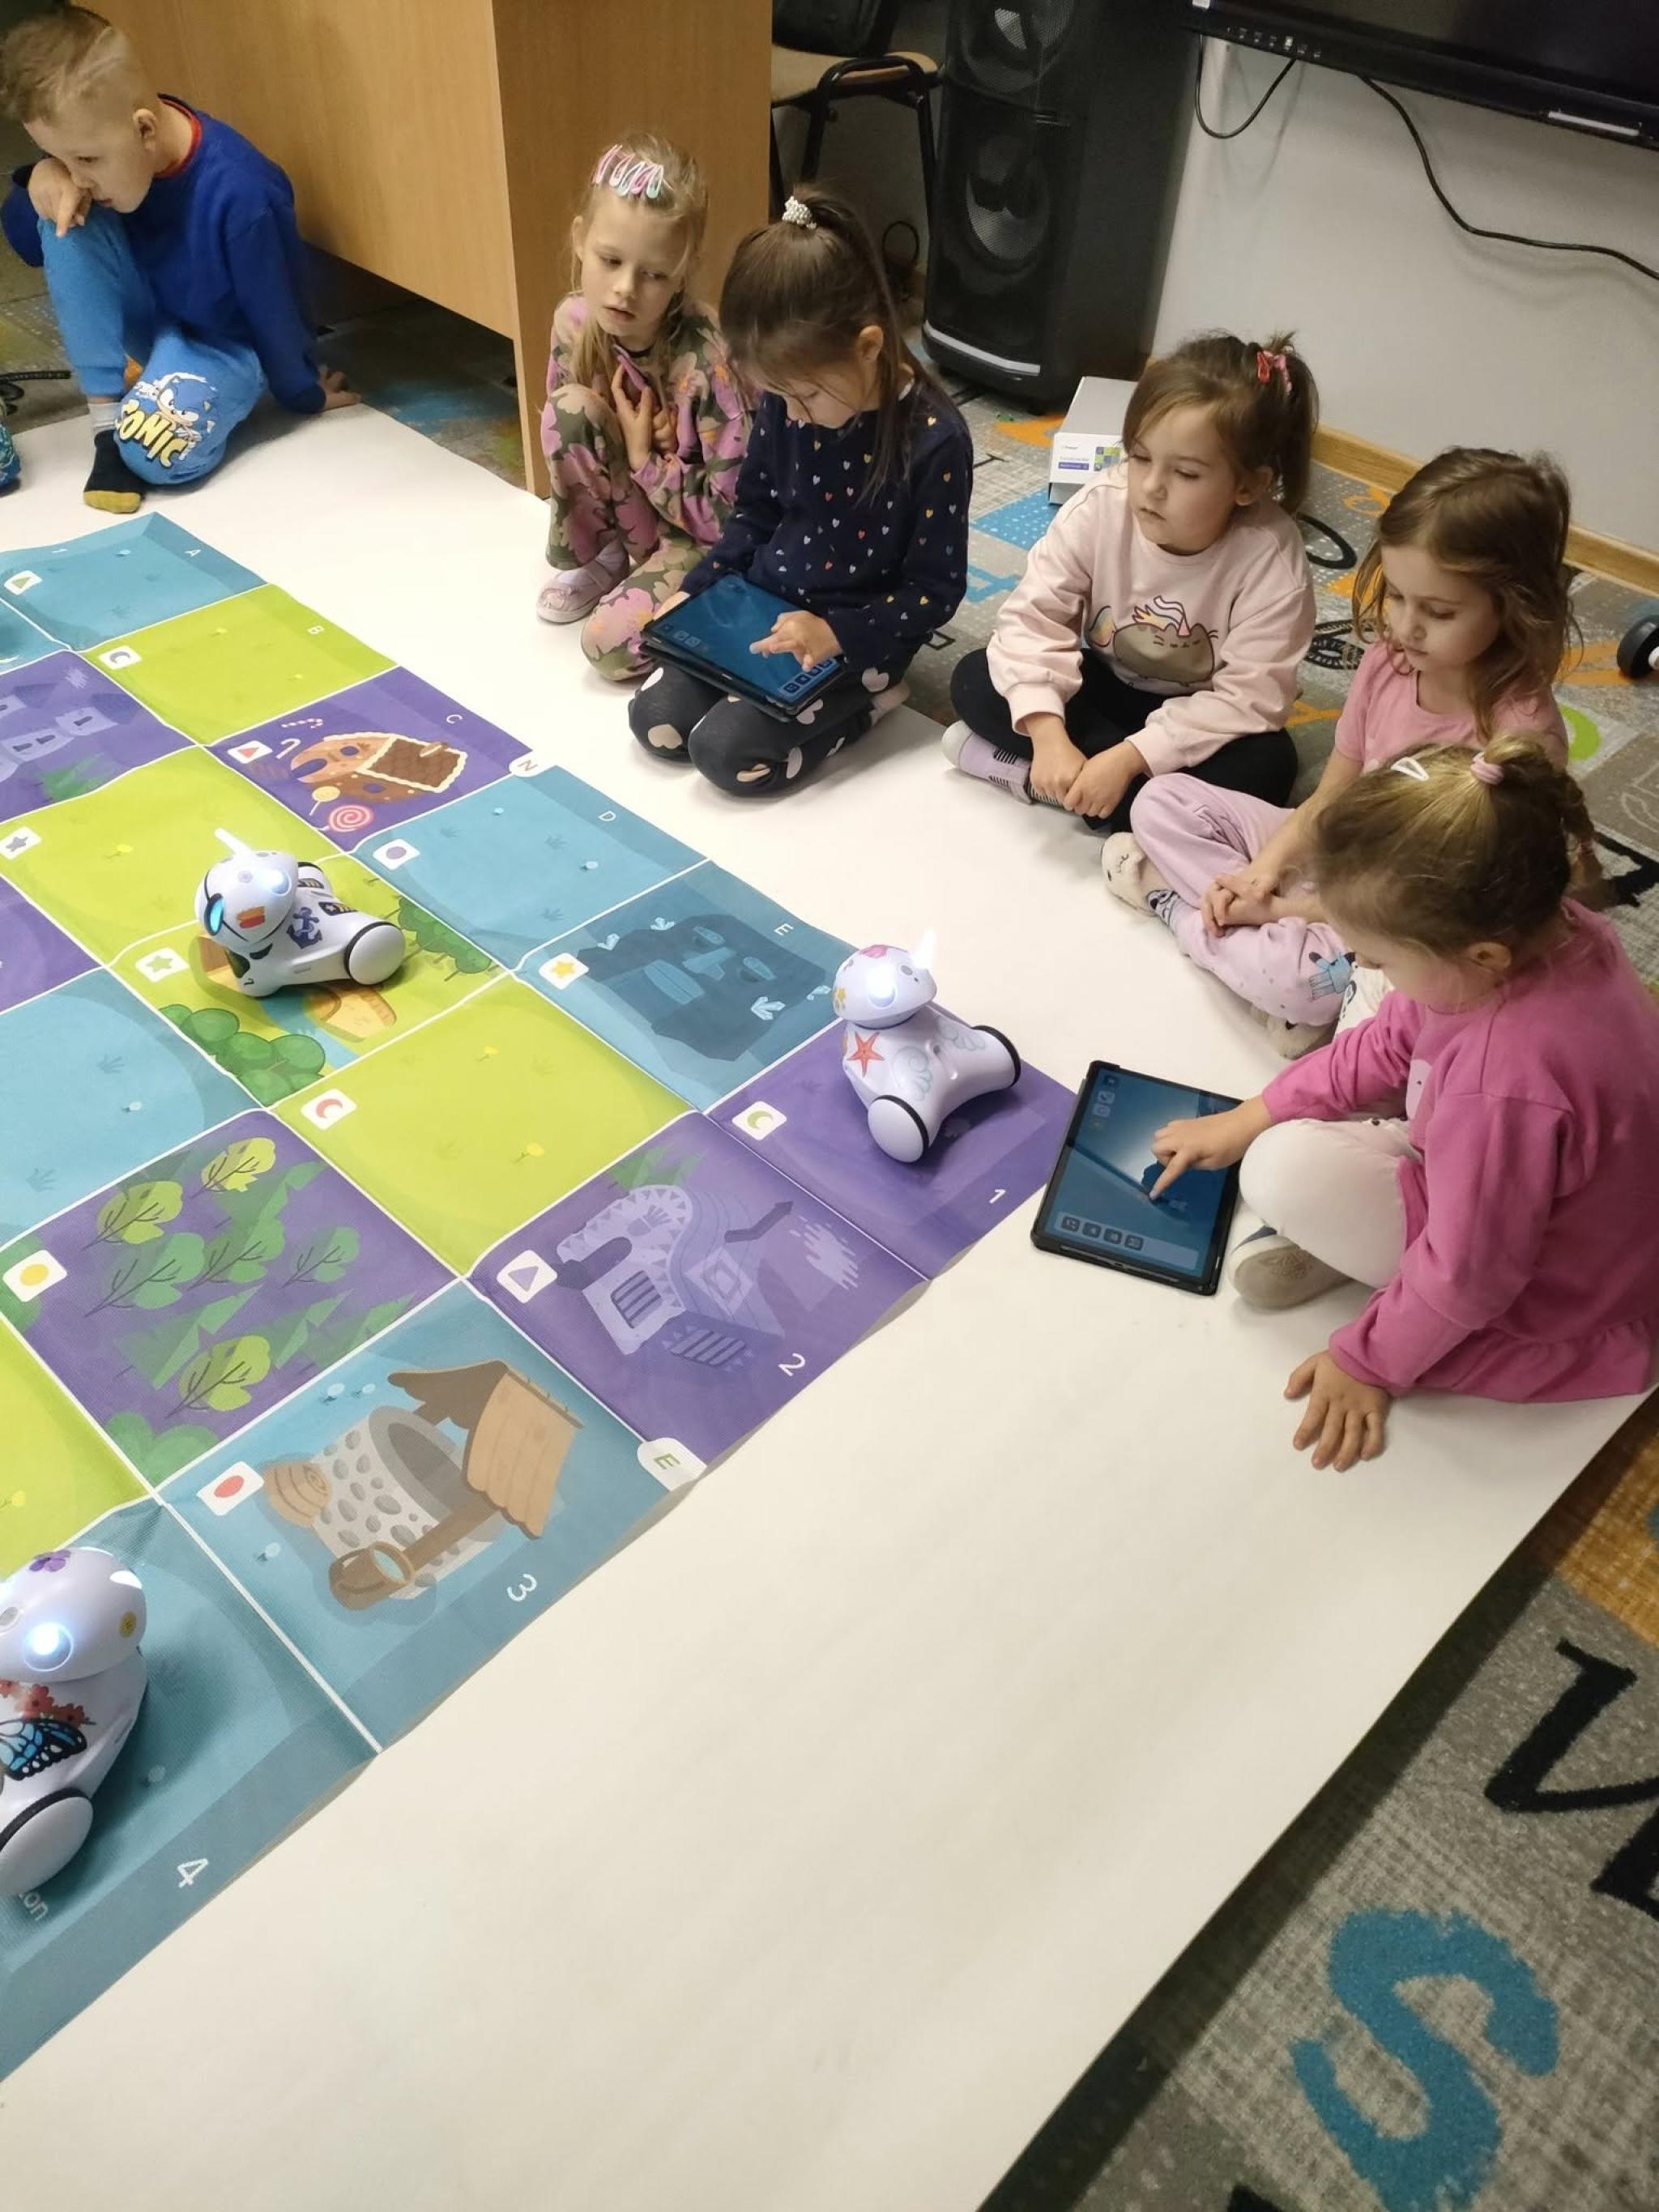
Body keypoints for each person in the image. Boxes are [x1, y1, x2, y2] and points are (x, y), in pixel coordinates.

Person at [1147, 736, 1659, 1472]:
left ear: (1483, 956)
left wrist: (1367, 1361)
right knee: (1321, 1090)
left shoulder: (1502, 1083)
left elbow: (1472, 1274)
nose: (1362, 964)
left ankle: (1383, 1284)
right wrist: (1254, 1111)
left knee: (1279, 1170)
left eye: (1379, 956)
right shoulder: (1553, 929)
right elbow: (1393, 1039)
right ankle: (1373, 1255)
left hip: (1562, 1292)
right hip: (1582, 1202)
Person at [1107, 448, 1575, 1053]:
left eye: (1438, 612)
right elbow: (1330, 798)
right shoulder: (1387, 663)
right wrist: (1259, 876)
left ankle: (1172, 905)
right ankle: (1251, 945)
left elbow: (1449, 917)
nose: (1405, 627)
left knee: (1309, 988)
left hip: (1404, 918)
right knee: (1159, 801)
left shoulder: (1521, 738)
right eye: (1397, 596)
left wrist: (1285, 911)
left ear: (1514, 607)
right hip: (1337, 855)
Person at [629, 187, 970, 796]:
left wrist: (836, 634)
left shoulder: (935, 440)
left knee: (725, 754)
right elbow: (755, 516)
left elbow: (933, 591)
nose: (792, 414)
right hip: (764, 607)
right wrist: (697, 592)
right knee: (655, 719)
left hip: (856, 637)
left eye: (807, 396)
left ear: (869, 347)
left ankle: (870, 705)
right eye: (778, 397)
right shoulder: (789, 402)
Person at [942, 330, 1317, 832]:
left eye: (1186, 474)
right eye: (1139, 457)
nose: (1151, 487)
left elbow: (1250, 697)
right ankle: (1127, 804)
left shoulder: (1272, 561)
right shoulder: (1099, 508)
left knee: (1270, 765)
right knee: (977, 677)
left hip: (1199, 715)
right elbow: (1034, 621)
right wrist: (1049, 735)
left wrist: (1129, 758)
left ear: (1248, 486)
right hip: (1106, 684)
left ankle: (1043, 781)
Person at [0, 6, 354, 514]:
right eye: (63, 157)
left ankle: (150, 401)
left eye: (87, 160)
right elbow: (30, 244)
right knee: (64, 218)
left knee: (154, 455)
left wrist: (302, 391)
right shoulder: (99, 149)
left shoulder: (243, 192)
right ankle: (105, 423)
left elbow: (277, 306)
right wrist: (41, 177)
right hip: (147, 315)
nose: (79, 176)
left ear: (145, 130)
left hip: (217, 342)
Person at [537, 134, 749, 678]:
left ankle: (725, 618)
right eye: (610, 260)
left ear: (683, 273)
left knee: (607, 647)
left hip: (699, 539)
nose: (625, 289)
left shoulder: (709, 366)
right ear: (580, 240)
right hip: (642, 513)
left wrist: (647, 461)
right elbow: (571, 442)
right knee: (567, 410)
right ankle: (605, 558)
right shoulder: (574, 323)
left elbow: (732, 523)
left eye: (655, 274)